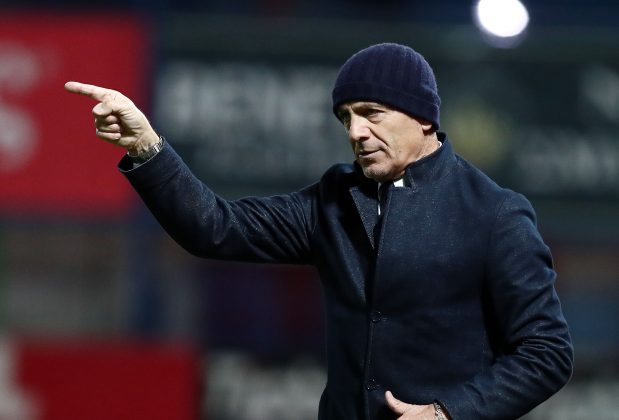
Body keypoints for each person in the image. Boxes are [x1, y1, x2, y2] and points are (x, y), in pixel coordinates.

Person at [65, 43, 573, 420]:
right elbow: (214, 227)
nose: (356, 132)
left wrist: (448, 413)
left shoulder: (495, 214)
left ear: (423, 117)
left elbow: (547, 353)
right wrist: (147, 147)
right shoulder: (334, 199)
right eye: (346, 118)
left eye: (372, 114)